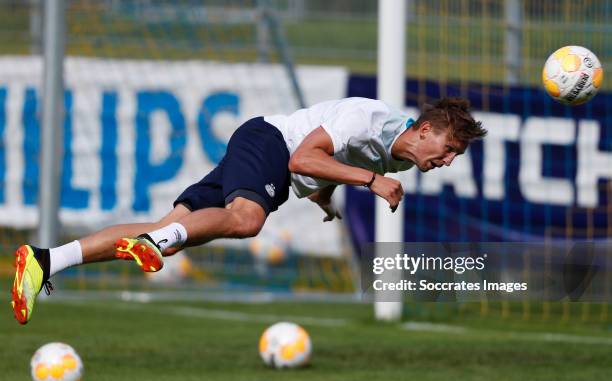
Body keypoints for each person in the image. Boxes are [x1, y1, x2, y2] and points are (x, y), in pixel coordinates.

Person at [11, 96, 487, 324]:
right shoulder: (368, 119)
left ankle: (45, 260)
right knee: (246, 220)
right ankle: (157, 243)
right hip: (269, 142)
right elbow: (303, 156)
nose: (446, 161)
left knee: (168, 225)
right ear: (425, 129)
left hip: (274, 158)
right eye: (448, 149)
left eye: (454, 157)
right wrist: (370, 181)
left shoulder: (390, 154)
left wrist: (323, 195)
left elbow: (321, 164)